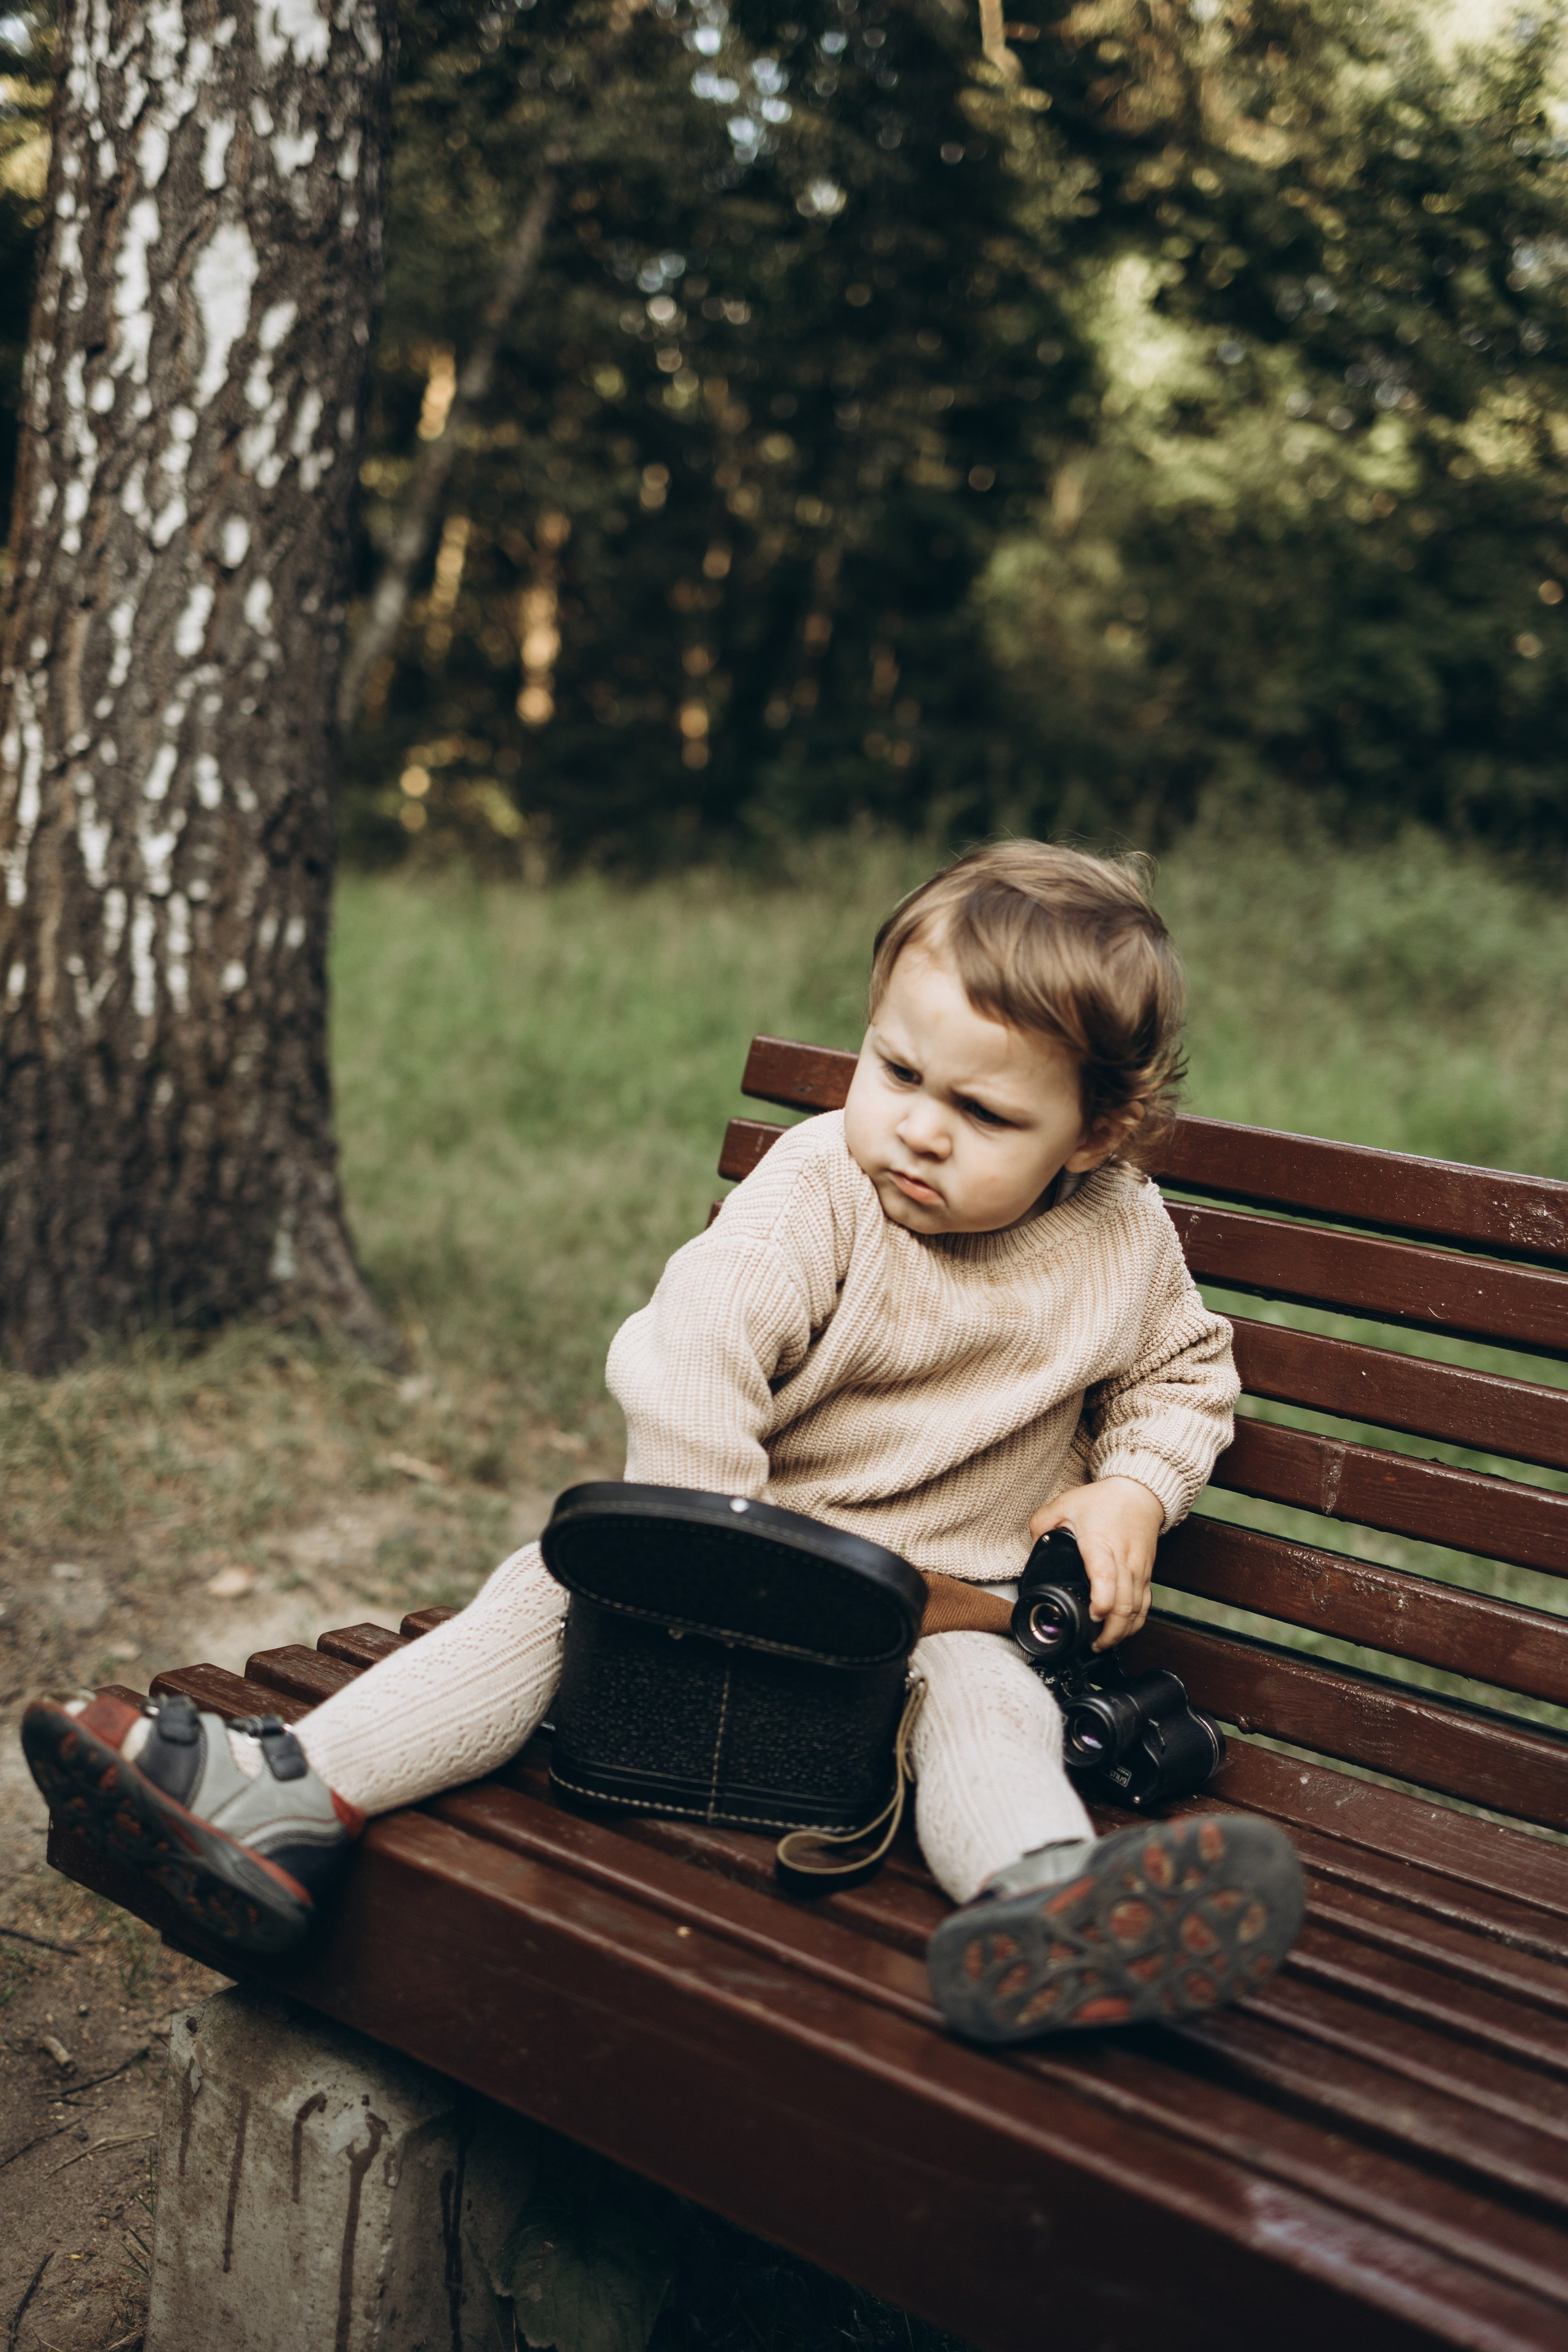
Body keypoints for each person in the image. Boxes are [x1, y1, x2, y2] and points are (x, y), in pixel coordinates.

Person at [23, 842, 1303, 2039]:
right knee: (544, 1593)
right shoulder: (818, 1194)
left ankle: (1050, 1911)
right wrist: (711, 1549)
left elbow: (1183, 1374)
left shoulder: (1120, 1235)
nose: (918, 1126)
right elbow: (691, 1347)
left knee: (993, 1714)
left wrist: (1132, 1489)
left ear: (1090, 1137)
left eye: (981, 1113)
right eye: (896, 1073)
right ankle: (289, 1803)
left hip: (934, 1623)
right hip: (722, 1594)